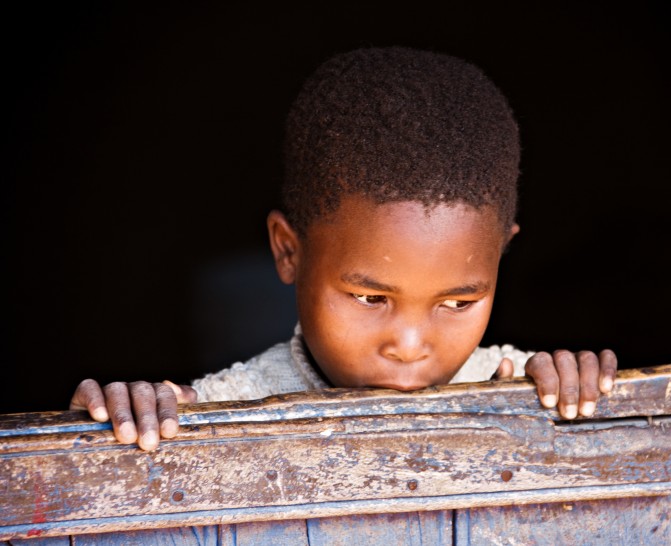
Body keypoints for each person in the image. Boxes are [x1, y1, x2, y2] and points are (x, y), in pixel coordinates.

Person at [70, 46, 618, 451]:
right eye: (368, 297)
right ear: (288, 252)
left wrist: (585, 390)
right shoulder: (217, 410)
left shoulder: (528, 386)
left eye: (456, 304)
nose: (409, 345)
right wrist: (120, 422)